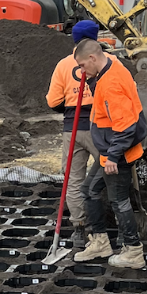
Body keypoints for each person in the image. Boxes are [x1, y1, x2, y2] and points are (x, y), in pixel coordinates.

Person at [73, 38, 147, 269]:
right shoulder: (112, 66)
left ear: (93, 58)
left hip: (117, 153)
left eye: (83, 66)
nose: (81, 71)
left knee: (119, 200)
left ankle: (133, 251)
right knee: (90, 190)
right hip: (110, 150)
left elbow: (126, 126)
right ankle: (101, 242)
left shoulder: (111, 83)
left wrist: (114, 156)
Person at [46, 19, 101, 250]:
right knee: (111, 174)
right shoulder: (105, 62)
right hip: (100, 128)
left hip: (73, 128)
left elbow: (52, 101)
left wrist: (68, 107)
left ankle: (79, 228)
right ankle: (110, 226)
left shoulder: (63, 65)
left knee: (73, 180)